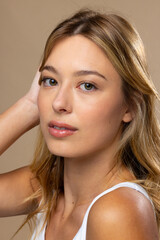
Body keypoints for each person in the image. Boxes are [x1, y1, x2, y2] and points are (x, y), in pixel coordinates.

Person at [0, 9, 160, 240]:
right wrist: (28, 106)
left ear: (130, 107)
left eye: (87, 85)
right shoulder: (46, 188)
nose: (59, 103)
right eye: (51, 81)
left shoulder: (118, 210)